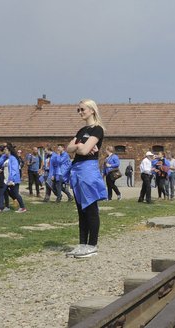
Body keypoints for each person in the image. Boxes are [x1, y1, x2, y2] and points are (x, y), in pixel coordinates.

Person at [65, 99, 108, 258]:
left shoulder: (98, 130)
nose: (80, 112)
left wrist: (78, 147)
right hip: (76, 170)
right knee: (80, 209)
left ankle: (92, 245)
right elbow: (69, 148)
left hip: (87, 170)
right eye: (79, 110)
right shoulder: (81, 130)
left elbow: (84, 151)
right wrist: (78, 146)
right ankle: (82, 243)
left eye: (82, 109)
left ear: (92, 110)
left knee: (90, 208)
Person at [0, 143, 27, 213]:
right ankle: (0, 208)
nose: (4, 151)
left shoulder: (13, 159)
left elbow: (14, 170)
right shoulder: (7, 158)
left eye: (6, 150)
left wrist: (11, 179)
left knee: (16, 194)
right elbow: (5, 167)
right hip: (5, 180)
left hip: (12, 180)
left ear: (9, 151)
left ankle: (23, 207)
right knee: (1, 192)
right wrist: (1, 169)